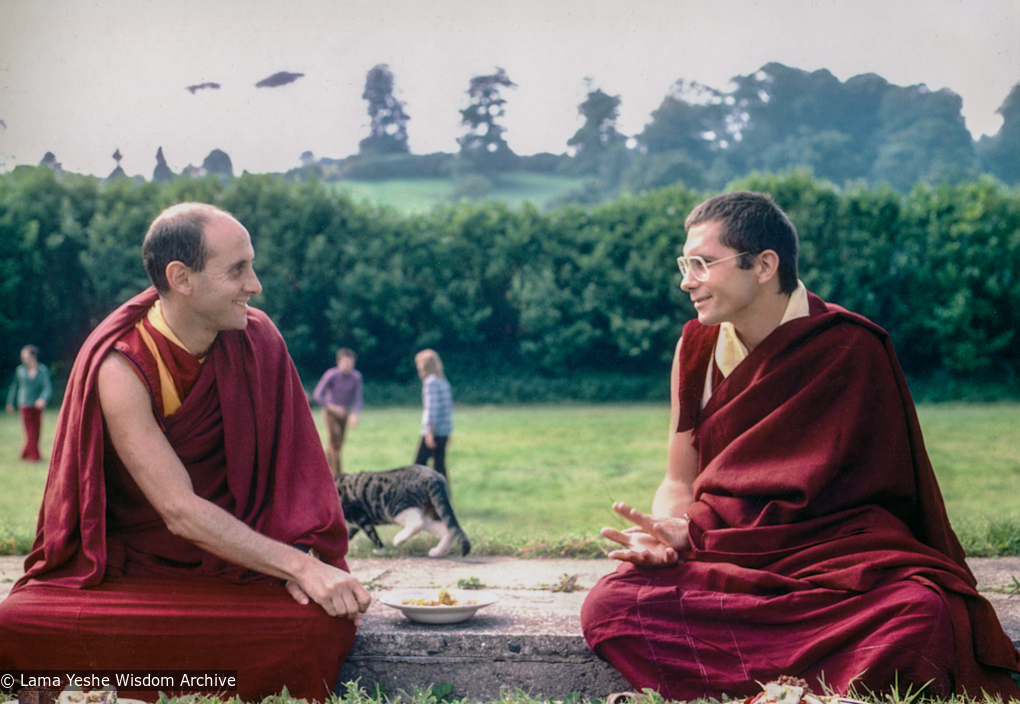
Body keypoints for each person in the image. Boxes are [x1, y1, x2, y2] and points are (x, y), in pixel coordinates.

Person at [581, 192, 1020, 701]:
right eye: (685, 264)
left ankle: (761, 689)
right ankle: (811, 691)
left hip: (835, 562)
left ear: (765, 264)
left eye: (702, 263)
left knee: (923, 613)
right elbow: (679, 479)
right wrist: (664, 535)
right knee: (611, 604)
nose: (686, 281)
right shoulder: (696, 348)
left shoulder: (852, 346)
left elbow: (888, 491)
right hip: (730, 556)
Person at [0, 203, 371, 702]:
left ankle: (107, 681)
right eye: (237, 269)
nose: (255, 284)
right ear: (181, 278)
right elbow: (179, 511)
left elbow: (295, 480)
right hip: (132, 570)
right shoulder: (122, 366)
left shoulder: (259, 341)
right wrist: (301, 569)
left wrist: (301, 558)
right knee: (18, 622)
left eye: (251, 266)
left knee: (321, 624)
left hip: (241, 565)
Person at [313, 348, 363, 478]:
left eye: (351, 362)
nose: (348, 365)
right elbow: (317, 395)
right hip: (331, 413)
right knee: (335, 443)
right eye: (346, 361)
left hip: (344, 414)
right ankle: (338, 476)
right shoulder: (331, 375)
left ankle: (322, 470)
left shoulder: (356, 377)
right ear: (339, 362)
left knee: (338, 444)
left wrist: (355, 414)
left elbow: (358, 398)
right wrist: (333, 408)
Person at [5, 345, 52, 461]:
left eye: (25, 356)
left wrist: (43, 399)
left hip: (37, 405)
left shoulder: (43, 370)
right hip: (24, 404)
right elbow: (14, 387)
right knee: (30, 432)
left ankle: (24, 454)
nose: (23, 358)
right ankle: (35, 458)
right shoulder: (20, 370)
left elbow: (47, 387)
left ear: (33, 356)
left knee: (37, 432)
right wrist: (10, 403)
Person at [413, 348, 453, 478]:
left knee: (418, 466)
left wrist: (428, 432)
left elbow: (431, 409)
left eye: (419, 363)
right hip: (444, 431)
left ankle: (416, 497)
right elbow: (448, 408)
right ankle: (443, 497)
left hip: (433, 431)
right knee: (440, 467)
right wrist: (449, 432)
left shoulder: (431, 382)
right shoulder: (443, 381)